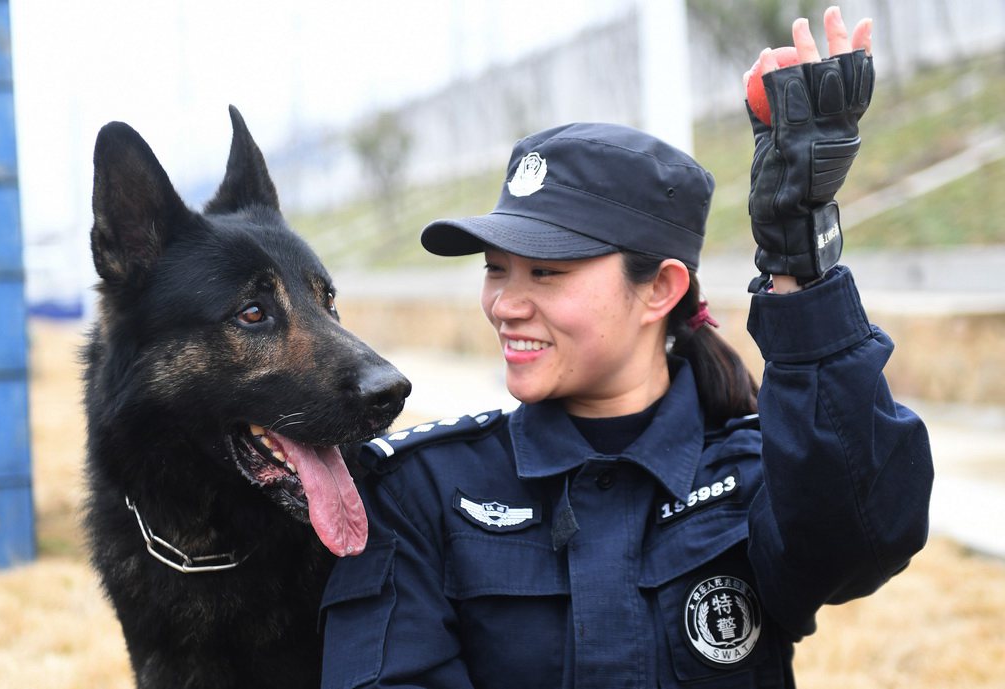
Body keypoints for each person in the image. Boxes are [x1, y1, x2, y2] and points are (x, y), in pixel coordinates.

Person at [319, 7, 933, 688]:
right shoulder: (423, 489)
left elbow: (865, 536)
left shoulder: (757, 472)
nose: (504, 303)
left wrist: (799, 260)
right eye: (496, 268)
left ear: (660, 290)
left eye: (546, 272)